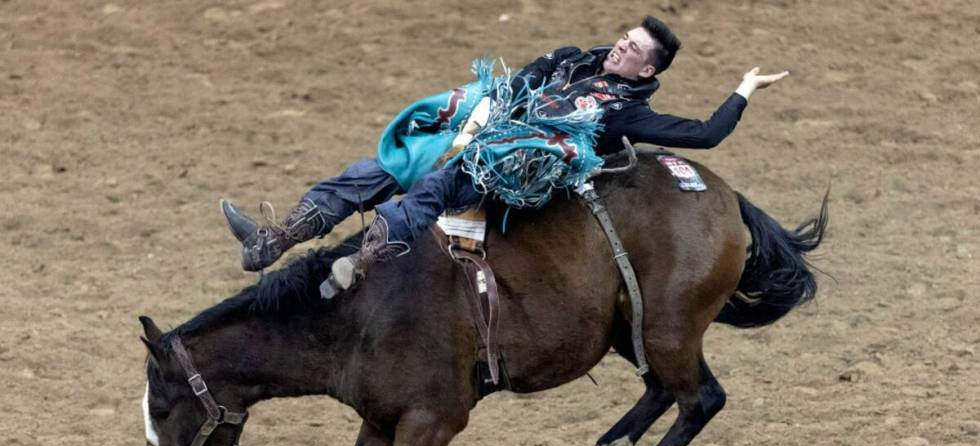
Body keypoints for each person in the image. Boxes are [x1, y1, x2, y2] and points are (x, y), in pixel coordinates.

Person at [222, 16, 788, 295]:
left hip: (513, 173)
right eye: (626, 36)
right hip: (475, 134)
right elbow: (518, 83)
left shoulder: (626, 111)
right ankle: (272, 241)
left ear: (647, 70)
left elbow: (706, 134)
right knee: (372, 172)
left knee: (434, 191)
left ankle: (361, 263)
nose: (622, 45)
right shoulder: (570, 58)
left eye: (634, 49)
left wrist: (743, 88)